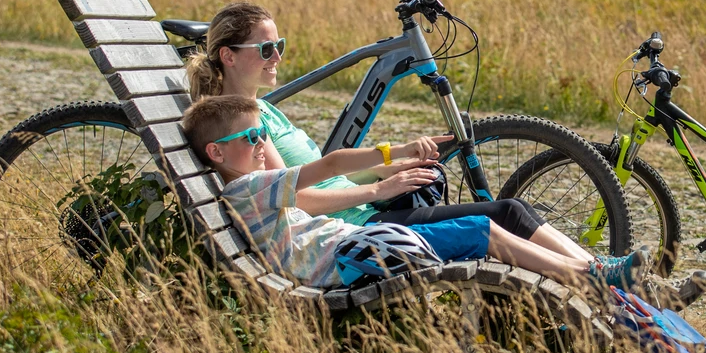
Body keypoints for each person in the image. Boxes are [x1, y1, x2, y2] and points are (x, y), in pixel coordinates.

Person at [183, 1, 706, 303]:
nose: (278, 57)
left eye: (281, 46)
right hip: (361, 224)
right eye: (267, 49)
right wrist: (382, 185)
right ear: (229, 56)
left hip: (364, 211)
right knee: (504, 213)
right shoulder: (244, 131)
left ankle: (616, 281)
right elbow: (298, 199)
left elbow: (316, 180)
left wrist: (392, 168)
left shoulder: (261, 112)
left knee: (505, 211)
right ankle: (610, 284)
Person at [181, 93, 650, 291]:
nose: (261, 144)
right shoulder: (246, 189)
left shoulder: (250, 184)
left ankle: (590, 272)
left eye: (262, 133)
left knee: (488, 225)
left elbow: (317, 168)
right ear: (216, 154)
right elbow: (328, 165)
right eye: (249, 138)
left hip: (352, 245)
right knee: (484, 229)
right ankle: (588, 274)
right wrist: (387, 167)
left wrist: (391, 160)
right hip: (354, 255)